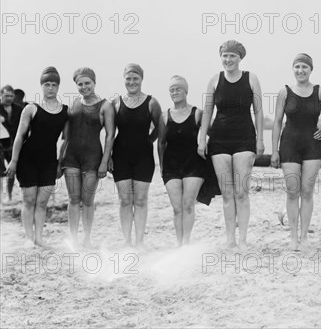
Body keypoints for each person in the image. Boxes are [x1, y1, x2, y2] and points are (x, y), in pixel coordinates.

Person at [198, 40, 264, 251]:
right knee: (227, 193)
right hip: (219, 140)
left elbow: (259, 112)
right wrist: (202, 138)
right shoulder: (214, 80)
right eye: (225, 56)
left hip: (245, 139)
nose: (228, 60)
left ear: (240, 57)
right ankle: (230, 240)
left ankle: (243, 240)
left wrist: (260, 139)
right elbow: (207, 112)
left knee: (241, 192)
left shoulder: (251, 78)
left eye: (232, 56)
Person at [271, 53, 321, 250]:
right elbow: (276, 122)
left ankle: (304, 237)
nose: (300, 70)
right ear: (293, 69)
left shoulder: (320, 92)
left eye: (304, 67)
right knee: (292, 191)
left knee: (307, 192)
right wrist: (274, 150)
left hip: (312, 146)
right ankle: (293, 237)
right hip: (289, 144)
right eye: (297, 67)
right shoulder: (284, 92)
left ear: (311, 70)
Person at [5, 67, 68, 248]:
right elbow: (19, 136)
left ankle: (39, 237)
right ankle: (29, 238)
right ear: (41, 86)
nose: (50, 88)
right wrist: (14, 161)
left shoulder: (65, 111)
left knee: (42, 202)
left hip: (49, 161)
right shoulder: (31, 108)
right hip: (28, 159)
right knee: (29, 199)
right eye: (46, 84)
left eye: (54, 84)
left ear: (58, 86)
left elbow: (66, 140)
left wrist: (61, 162)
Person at [61, 68, 115, 248]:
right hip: (71, 157)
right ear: (76, 85)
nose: (84, 87)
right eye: (80, 84)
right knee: (73, 199)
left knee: (88, 200)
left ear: (94, 83)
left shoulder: (105, 106)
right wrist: (59, 159)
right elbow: (66, 135)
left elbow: (109, 136)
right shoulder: (73, 104)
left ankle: (87, 238)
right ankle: (74, 239)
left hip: (93, 157)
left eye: (87, 83)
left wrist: (104, 162)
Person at [110, 64, 162, 248]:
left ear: (141, 79)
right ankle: (126, 241)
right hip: (120, 156)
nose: (132, 82)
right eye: (128, 78)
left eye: (135, 78)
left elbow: (160, 129)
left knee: (140, 200)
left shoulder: (151, 102)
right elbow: (109, 133)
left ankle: (139, 241)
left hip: (144, 157)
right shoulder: (115, 103)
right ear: (124, 79)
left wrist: (149, 140)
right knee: (125, 200)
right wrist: (108, 155)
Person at [158, 75, 208, 246]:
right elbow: (161, 143)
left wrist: (204, 144)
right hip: (171, 166)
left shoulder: (197, 113)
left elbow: (212, 133)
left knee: (188, 205)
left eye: (178, 88)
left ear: (186, 91)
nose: (175, 92)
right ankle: (179, 243)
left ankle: (186, 242)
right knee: (177, 208)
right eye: (172, 89)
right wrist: (162, 165)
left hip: (194, 165)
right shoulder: (165, 116)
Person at [1, 85, 24, 202]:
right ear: (1, 96)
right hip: (0, 144)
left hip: (13, 143)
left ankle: (9, 195)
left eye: (11, 96)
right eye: (6, 96)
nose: (9, 98)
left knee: (12, 170)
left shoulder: (19, 109)